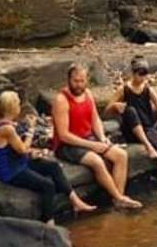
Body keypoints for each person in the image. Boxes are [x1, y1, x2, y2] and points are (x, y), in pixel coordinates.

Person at [0, 91, 96, 223]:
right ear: (12, 107)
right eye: (18, 104)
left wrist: (32, 152)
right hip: (12, 171)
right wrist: (31, 130)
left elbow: (16, 149)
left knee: (53, 166)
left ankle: (76, 201)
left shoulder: (7, 124)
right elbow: (22, 149)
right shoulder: (6, 128)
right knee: (48, 185)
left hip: (21, 162)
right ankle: (49, 222)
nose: (20, 107)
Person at [52, 64, 143, 209]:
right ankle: (119, 197)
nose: (79, 85)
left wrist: (101, 137)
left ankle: (118, 199)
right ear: (69, 80)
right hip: (68, 145)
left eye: (82, 81)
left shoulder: (87, 93)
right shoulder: (61, 100)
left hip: (89, 138)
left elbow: (95, 119)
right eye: (75, 81)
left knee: (121, 156)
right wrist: (93, 146)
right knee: (97, 161)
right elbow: (64, 135)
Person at [104, 57, 157, 193]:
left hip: (147, 127)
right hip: (131, 130)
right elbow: (107, 110)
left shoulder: (148, 89)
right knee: (131, 110)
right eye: (141, 74)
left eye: (145, 73)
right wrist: (115, 106)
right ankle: (148, 146)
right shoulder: (124, 89)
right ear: (133, 74)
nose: (143, 77)